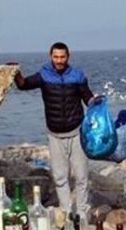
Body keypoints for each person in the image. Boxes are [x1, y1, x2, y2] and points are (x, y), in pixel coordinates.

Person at [13, 42, 94, 219]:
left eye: (62, 57)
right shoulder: (44, 75)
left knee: (81, 177)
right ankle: (65, 213)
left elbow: (87, 97)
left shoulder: (77, 76)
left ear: (68, 57)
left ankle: (82, 214)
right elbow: (24, 85)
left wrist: (96, 104)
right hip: (54, 134)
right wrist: (16, 74)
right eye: (56, 57)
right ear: (51, 56)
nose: (59, 60)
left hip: (77, 133)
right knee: (60, 177)